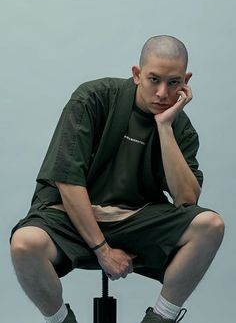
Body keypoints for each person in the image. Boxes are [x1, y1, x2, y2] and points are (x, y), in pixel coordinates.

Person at [10, 35, 224, 323]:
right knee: (24, 243)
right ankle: (61, 321)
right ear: (137, 74)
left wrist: (164, 128)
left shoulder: (179, 127)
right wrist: (103, 250)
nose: (162, 92)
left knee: (210, 226)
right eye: (153, 79)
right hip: (71, 218)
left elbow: (187, 200)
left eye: (173, 83)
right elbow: (68, 182)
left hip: (135, 219)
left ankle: (160, 318)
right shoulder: (93, 98)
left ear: (185, 81)